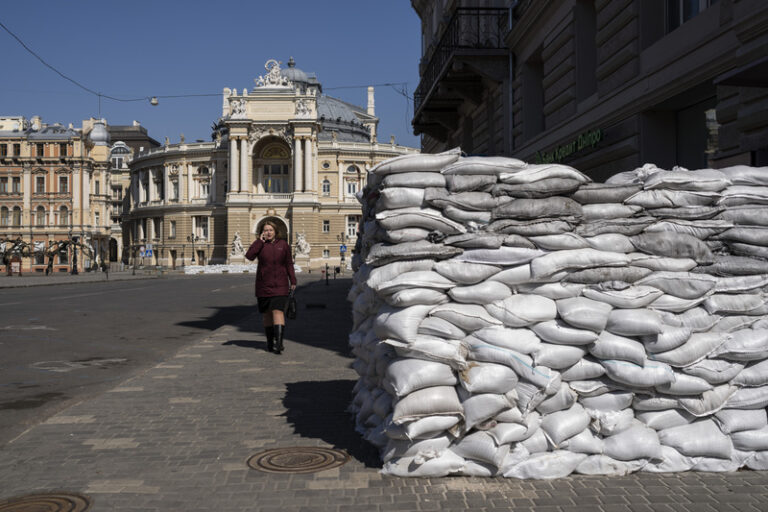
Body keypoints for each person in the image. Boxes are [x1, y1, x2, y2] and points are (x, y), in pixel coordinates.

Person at [245, 221, 297, 354]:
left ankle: (279, 343)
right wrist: (259, 242)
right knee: (267, 314)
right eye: (265, 230)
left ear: (275, 231)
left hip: (280, 285)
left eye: (270, 230)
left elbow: (289, 263)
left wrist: (293, 280)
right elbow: (249, 256)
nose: (268, 232)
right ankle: (269, 342)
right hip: (263, 285)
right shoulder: (260, 245)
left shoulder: (283, 245)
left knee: (278, 311)